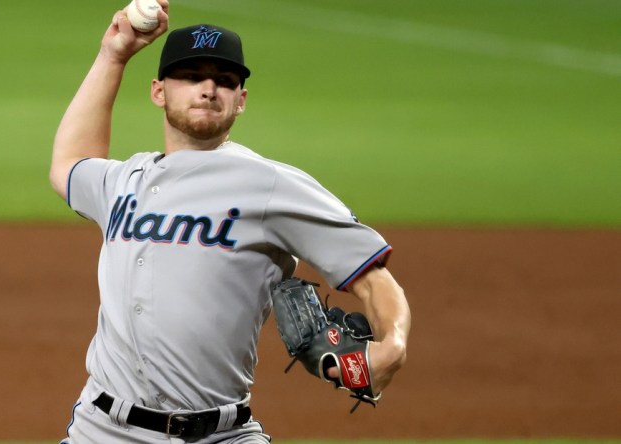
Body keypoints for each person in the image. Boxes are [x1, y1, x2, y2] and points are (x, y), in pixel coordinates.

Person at [50, 3, 411, 443]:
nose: (208, 88)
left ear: (240, 100)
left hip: (221, 435)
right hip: (103, 430)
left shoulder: (271, 185)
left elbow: (373, 276)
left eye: (224, 80)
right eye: (191, 76)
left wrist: (392, 345)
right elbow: (71, 163)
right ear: (159, 91)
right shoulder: (125, 181)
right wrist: (113, 55)